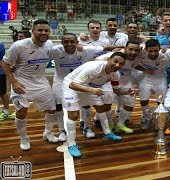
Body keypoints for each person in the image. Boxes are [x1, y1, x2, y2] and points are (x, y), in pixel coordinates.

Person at [1, 19, 58, 150]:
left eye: (46, 30)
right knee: (21, 112)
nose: (43, 32)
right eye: (40, 30)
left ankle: (48, 133)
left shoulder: (49, 44)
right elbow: (4, 63)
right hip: (21, 83)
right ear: (32, 30)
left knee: (51, 108)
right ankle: (24, 138)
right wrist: (14, 82)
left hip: (41, 82)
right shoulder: (19, 45)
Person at [62, 52, 132, 157]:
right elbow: (73, 85)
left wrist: (127, 91)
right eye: (115, 61)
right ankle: (71, 144)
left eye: (121, 63)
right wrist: (92, 90)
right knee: (74, 115)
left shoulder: (115, 74)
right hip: (71, 86)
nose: (117, 65)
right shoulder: (94, 68)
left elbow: (117, 90)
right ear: (109, 59)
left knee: (101, 107)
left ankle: (107, 133)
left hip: (89, 87)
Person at [49, 33, 111, 141]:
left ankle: (86, 127)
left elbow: (105, 49)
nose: (69, 44)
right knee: (59, 106)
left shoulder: (86, 50)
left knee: (85, 105)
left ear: (77, 43)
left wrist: (122, 47)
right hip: (60, 81)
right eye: (66, 42)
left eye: (72, 41)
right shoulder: (55, 50)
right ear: (61, 43)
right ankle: (62, 130)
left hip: (80, 81)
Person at [138, 39, 170, 129]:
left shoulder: (165, 57)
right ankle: (146, 117)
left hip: (161, 80)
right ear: (145, 49)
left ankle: (159, 120)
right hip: (146, 79)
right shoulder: (141, 54)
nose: (153, 53)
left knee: (161, 104)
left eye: (155, 50)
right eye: (150, 51)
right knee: (143, 101)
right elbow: (133, 64)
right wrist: (144, 70)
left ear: (159, 49)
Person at [0, 41, 15, 120]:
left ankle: (6, 111)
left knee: (2, 92)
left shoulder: (0, 44)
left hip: (0, 72)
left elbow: (1, 60)